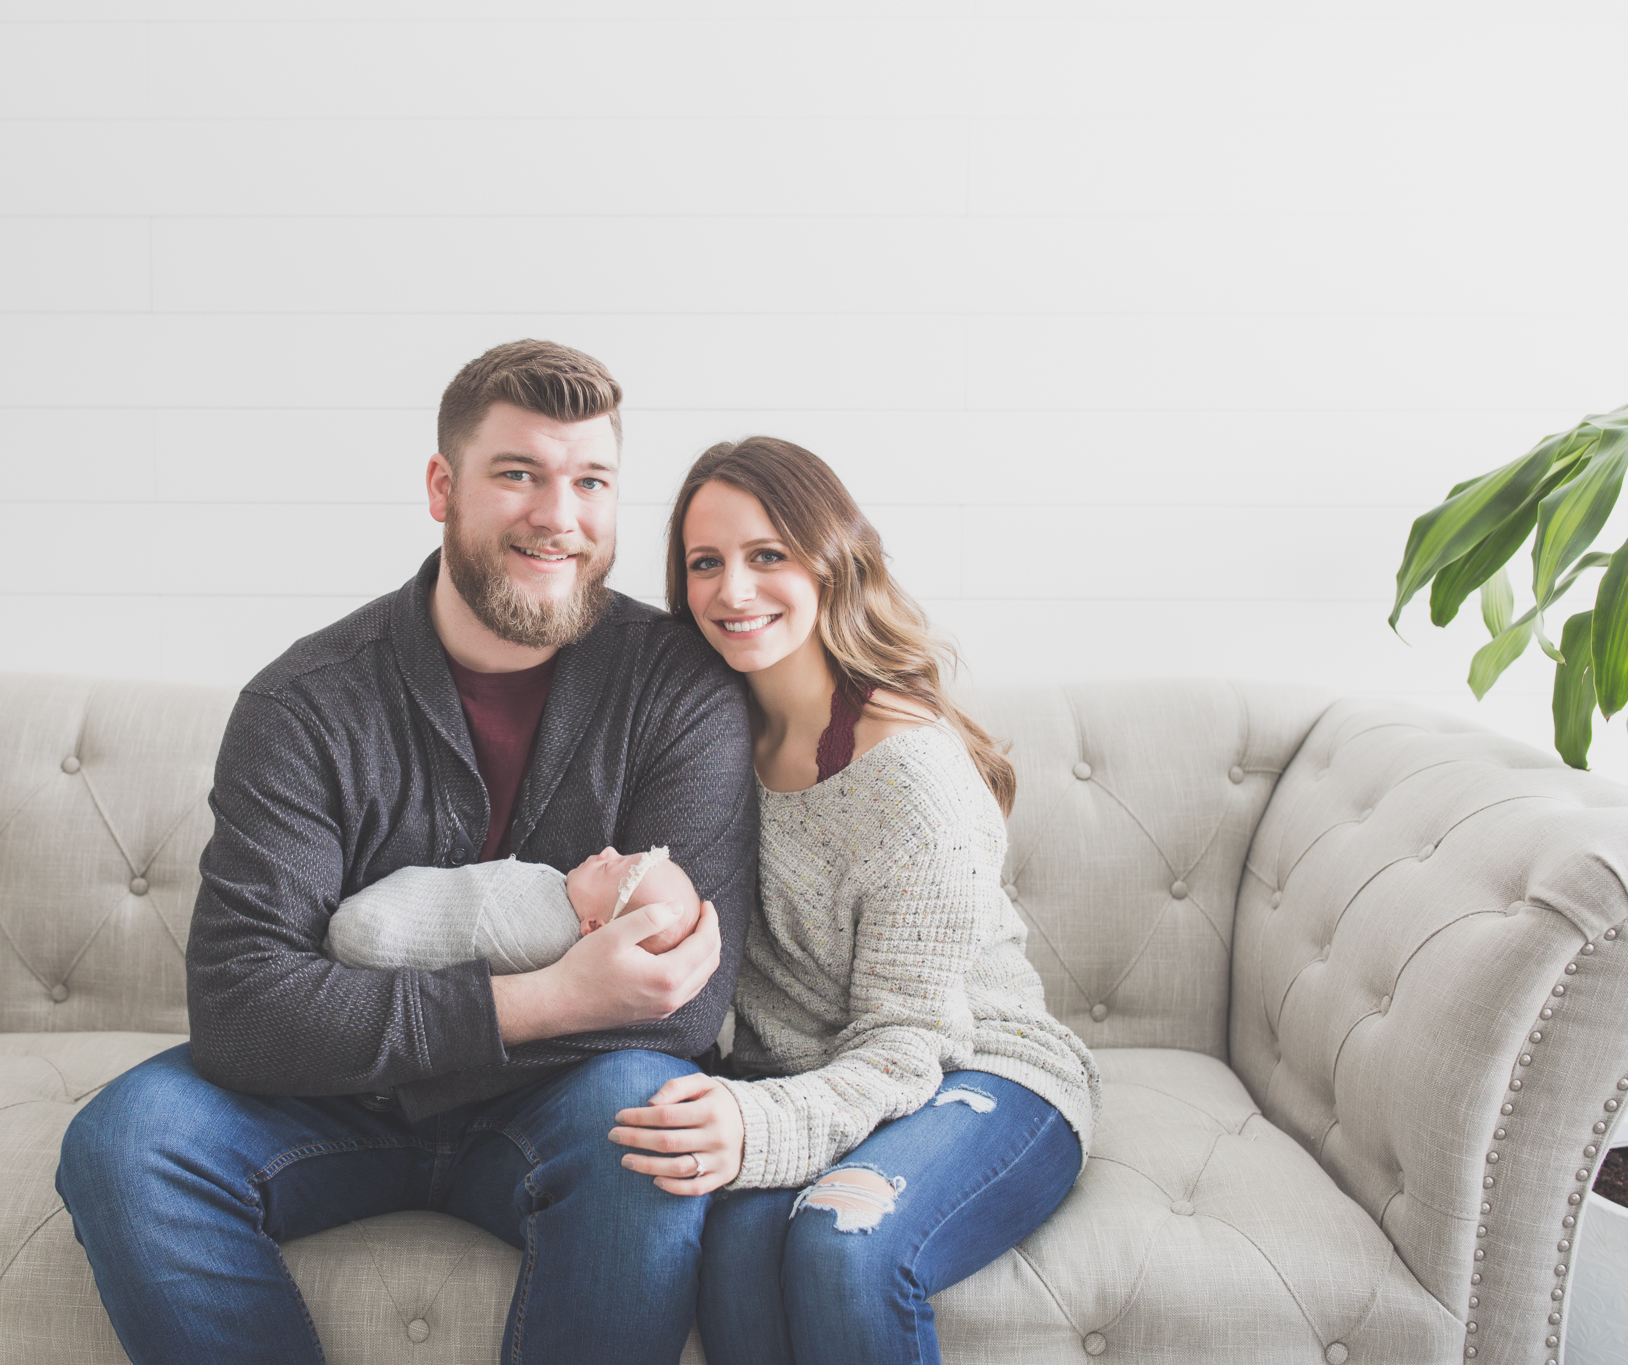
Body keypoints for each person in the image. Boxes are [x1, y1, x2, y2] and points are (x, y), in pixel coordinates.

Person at [54, 340, 758, 1365]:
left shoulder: (679, 690)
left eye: (590, 481)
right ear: (442, 487)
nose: (558, 516)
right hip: (334, 1110)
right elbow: (243, 1009)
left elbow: (680, 1002)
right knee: (125, 1143)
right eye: (517, 474)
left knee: (647, 1113)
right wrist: (548, 1000)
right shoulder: (305, 703)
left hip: (552, 1109)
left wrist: (355, 1017)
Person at [608, 436, 1103, 1365]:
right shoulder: (700, 735)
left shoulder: (912, 777)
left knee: (840, 1246)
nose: (733, 591)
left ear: (831, 558)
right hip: (804, 1074)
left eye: (768, 556)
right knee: (735, 1260)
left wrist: (753, 1124)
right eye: (705, 563)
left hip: (977, 1069)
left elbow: (910, 1040)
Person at [325, 844, 705, 972]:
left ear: (594, 926)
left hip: (368, 928)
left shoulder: (542, 934)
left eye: (610, 866)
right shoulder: (561, 900)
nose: (607, 850)